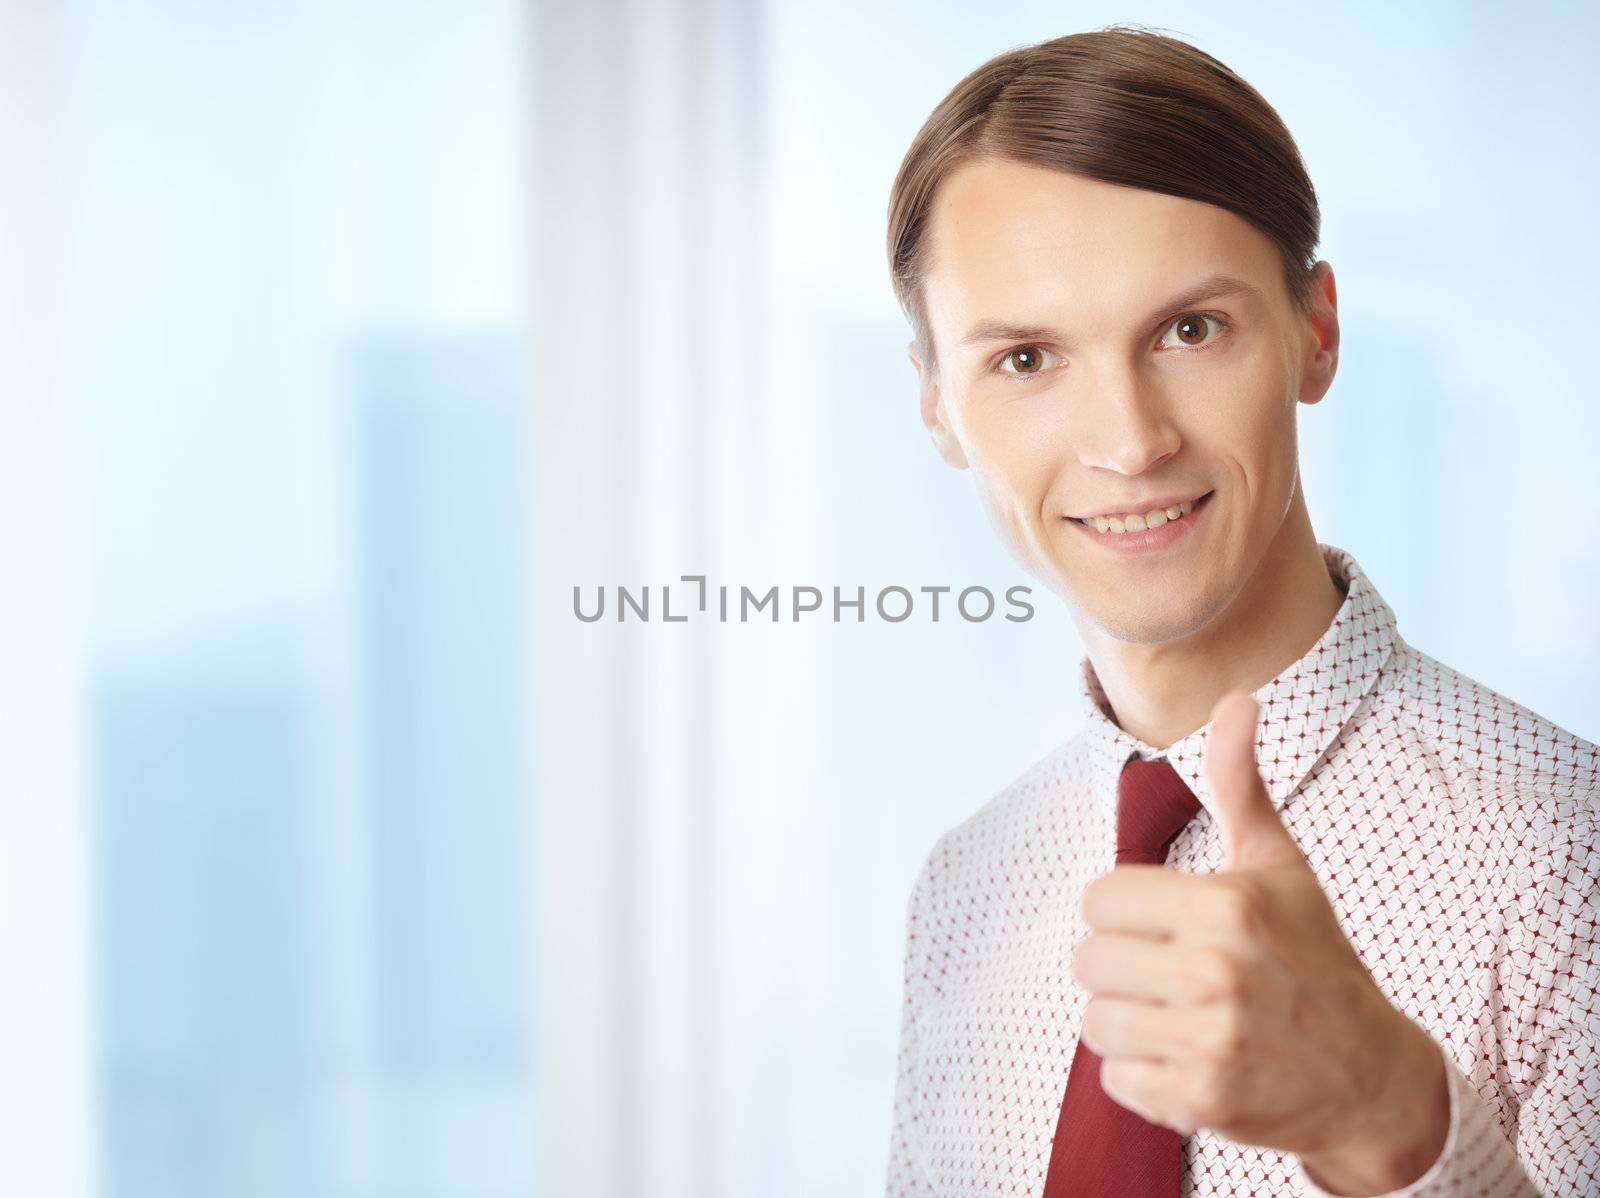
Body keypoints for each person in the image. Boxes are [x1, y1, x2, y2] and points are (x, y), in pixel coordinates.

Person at [881, 25, 1598, 1198]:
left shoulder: (1568, 854)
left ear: (1313, 331)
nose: (1128, 441)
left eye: (1189, 329)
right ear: (938, 407)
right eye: (1024, 359)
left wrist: (1390, 1125)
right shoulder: (966, 889)